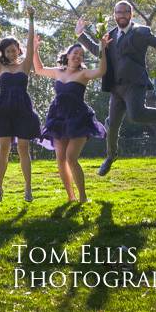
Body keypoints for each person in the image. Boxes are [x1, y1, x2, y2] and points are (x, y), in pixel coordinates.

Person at [76, 2, 156, 176]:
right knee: (112, 126)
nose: (122, 15)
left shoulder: (142, 31)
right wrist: (81, 34)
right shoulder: (109, 35)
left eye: (125, 12)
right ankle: (111, 157)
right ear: (114, 14)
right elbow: (98, 51)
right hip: (116, 88)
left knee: (136, 115)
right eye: (118, 12)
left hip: (135, 84)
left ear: (131, 14)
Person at [33, 35, 111, 203]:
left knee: (71, 158)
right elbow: (38, 69)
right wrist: (35, 49)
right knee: (60, 159)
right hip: (59, 118)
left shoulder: (83, 73)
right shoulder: (58, 71)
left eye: (81, 54)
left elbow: (101, 71)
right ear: (67, 55)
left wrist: (103, 50)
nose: (77, 56)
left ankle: (83, 196)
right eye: (75, 53)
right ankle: (71, 196)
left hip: (78, 119)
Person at [0, 3, 40, 203]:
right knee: (3, 149)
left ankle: (28, 190)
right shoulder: (0, 67)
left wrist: (31, 18)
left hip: (23, 110)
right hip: (3, 110)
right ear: (3, 53)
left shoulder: (24, 66)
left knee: (24, 148)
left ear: (18, 51)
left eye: (14, 50)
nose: (12, 53)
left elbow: (31, 43)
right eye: (8, 51)